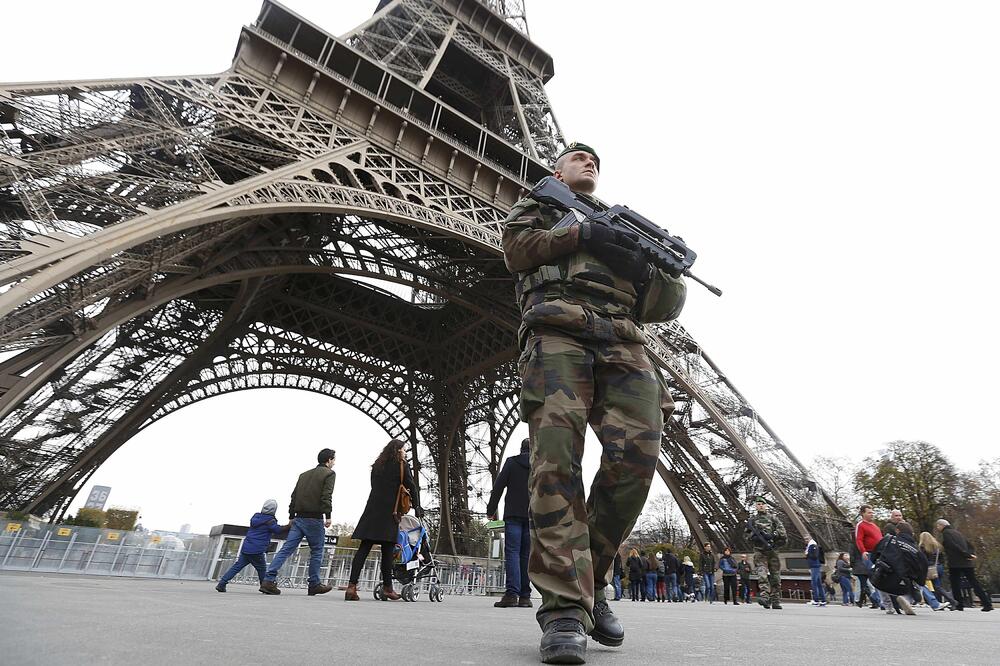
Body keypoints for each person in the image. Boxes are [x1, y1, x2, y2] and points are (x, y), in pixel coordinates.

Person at [502, 142, 687, 663]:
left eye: (597, 162)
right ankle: (564, 607)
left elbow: (666, 306)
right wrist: (581, 233)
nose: (590, 163)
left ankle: (592, 578)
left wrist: (648, 269)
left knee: (637, 463)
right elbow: (517, 252)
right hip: (557, 332)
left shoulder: (628, 229)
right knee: (555, 460)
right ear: (557, 169)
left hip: (624, 342)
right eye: (579, 157)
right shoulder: (542, 205)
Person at [344, 440, 420, 602]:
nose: (405, 453)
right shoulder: (401, 465)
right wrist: (417, 506)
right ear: (398, 450)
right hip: (390, 512)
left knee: (363, 549)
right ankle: (388, 588)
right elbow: (411, 486)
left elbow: (374, 487)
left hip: (372, 511)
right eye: (404, 450)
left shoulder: (377, 466)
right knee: (387, 552)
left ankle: (351, 586)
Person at [260, 448, 336, 596]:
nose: (334, 463)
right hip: (314, 518)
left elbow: (294, 496)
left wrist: (291, 515)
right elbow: (326, 496)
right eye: (333, 460)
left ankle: (268, 580)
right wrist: (328, 516)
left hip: (299, 518)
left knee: (286, 550)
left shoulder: (303, 475)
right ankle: (314, 583)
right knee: (317, 551)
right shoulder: (329, 474)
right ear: (329, 460)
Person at [487, 438, 532, 608]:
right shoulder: (539, 466)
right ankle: (525, 596)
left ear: (521, 449)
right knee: (526, 555)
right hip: (532, 516)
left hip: (513, 514)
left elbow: (498, 487)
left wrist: (491, 510)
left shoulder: (512, 463)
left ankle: (512, 594)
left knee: (512, 553)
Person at [215, 499, 287, 593]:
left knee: (236, 567)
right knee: (262, 569)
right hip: (257, 550)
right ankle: (265, 586)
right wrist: (289, 526)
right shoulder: (270, 521)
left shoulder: (255, 517)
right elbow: (277, 530)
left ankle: (222, 584)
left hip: (246, 548)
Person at [871, 521, 932, 615]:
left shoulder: (888, 540)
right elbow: (923, 568)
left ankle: (888, 606)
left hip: (884, 576)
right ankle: (907, 599)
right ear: (911, 534)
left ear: (897, 530)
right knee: (914, 584)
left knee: (879, 574)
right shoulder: (916, 550)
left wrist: (876, 563)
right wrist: (920, 582)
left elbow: (874, 555)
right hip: (903, 580)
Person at [936, 519, 993, 612]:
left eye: (938, 526)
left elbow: (953, 545)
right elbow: (969, 544)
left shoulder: (946, 533)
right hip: (967, 562)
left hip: (956, 563)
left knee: (955, 584)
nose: (937, 528)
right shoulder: (958, 533)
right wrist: (970, 554)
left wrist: (965, 554)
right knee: (974, 582)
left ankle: (959, 604)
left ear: (941, 525)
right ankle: (987, 603)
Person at [744, 496, 786, 609]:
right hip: (759, 551)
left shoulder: (773, 519)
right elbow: (746, 535)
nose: (760, 505)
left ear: (765, 505)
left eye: (762, 504)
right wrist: (753, 537)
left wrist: (773, 535)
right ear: (756, 506)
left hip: (772, 550)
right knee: (762, 574)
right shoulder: (752, 520)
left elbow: (783, 532)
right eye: (758, 504)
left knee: (775, 576)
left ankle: (775, 599)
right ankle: (764, 597)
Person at [854, 504, 885, 610]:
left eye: (872, 512)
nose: (872, 514)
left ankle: (876, 598)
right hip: (869, 554)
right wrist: (863, 551)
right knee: (876, 576)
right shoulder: (861, 525)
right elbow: (858, 539)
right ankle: (879, 600)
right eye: (869, 512)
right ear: (863, 514)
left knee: (879, 577)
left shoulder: (875, 526)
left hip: (879, 554)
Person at [918, 531, 956, 606]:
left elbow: (923, 559)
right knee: (937, 586)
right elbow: (942, 558)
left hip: (930, 568)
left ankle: (950, 600)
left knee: (926, 585)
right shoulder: (937, 546)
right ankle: (942, 602)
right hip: (939, 567)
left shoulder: (923, 547)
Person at [805, 537, 826, 606]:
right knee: (819, 584)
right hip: (816, 565)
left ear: (810, 539)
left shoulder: (812, 546)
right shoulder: (813, 545)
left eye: (807, 539)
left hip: (814, 566)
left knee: (814, 583)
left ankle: (816, 599)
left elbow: (814, 556)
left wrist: (807, 554)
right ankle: (823, 600)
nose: (806, 540)